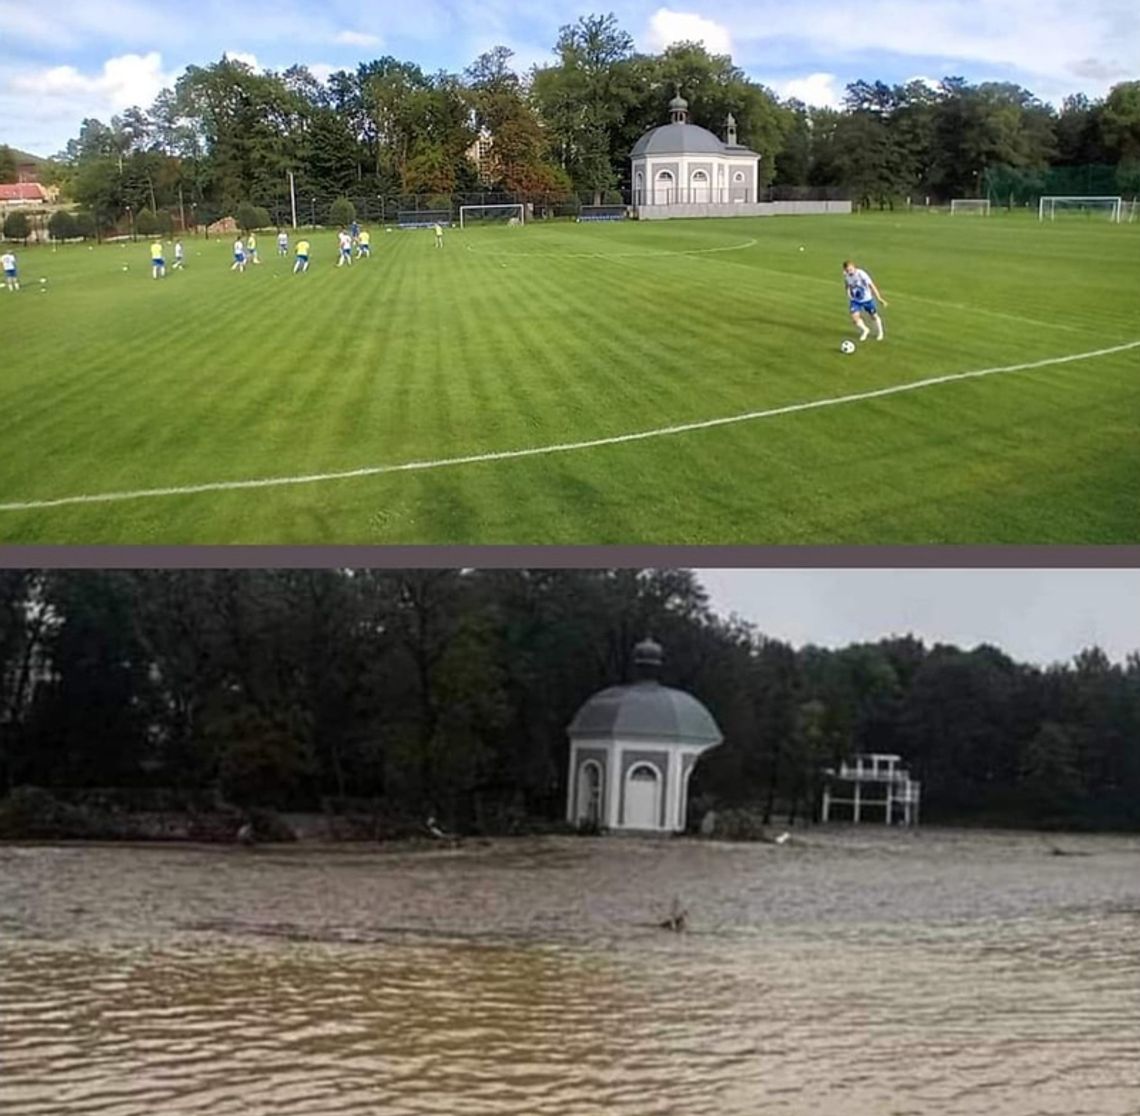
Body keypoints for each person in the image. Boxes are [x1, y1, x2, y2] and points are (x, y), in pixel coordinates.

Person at [842, 259, 887, 342]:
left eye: (851, 269)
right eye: (848, 270)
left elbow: (871, 285)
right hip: (856, 300)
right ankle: (865, 330)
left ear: (854, 267)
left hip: (867, 299)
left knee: (874, 316)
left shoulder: (861, 274)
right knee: (855, 318)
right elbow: (847, 285)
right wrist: (849, 293)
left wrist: (879, 298)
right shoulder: (847, 276)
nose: (850, 271)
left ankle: (880, 332)